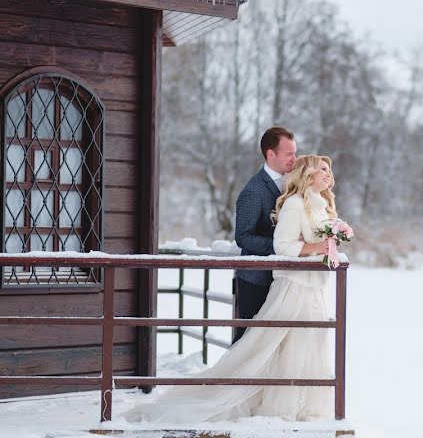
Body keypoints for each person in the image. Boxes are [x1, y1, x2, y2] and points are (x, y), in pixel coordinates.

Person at [123, 155, 339, 423]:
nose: (328, 174)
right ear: (308, 174)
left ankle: (307, 404)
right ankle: (278, 405)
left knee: (311, 344)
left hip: (314, 288)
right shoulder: (294, 205)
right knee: (277, 346)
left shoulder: (323, 206)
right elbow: (282, 246)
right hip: (294, 288)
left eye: (329, 169)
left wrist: (332, 244)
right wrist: (317, 248)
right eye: (322, 169)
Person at [232, 126, 297, 342]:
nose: (294, 159)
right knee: (248, 341)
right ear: (271, 154)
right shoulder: (253, 191)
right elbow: (243, 236)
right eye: (289, 154)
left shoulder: (294, 184)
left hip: (283, 279)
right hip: (255, 278)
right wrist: (281, 246)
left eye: (294, 153)